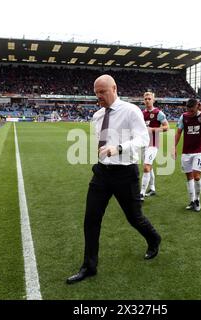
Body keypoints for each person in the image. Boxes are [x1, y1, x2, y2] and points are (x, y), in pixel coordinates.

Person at [66, 75, 162, 285]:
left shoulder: (130, 111)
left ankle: (154, 239)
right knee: (91, 218)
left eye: (102, 91)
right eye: (96, 92)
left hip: (125, 173)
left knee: (134, 218)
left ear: (114, 88)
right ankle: (89, 266)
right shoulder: (97, 115)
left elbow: (144, 138)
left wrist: (118, 148)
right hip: (102, 173)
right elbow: (102, 142)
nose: (98, 96)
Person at [173, 98, 201, 212]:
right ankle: (192, 201)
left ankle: (197, 200)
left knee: (197, 176)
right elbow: (178, 132)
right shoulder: (184, 116)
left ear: (197, 107)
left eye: (192, 111)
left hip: (199, 151)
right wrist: (173, 147)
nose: (190, 113)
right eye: (188, 110)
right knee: (189, 177)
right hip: (186, 151)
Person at [140, 92, 169, 200]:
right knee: (149, 166)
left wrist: (152, 130)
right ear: (143, 100)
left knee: (146, 167)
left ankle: (141, 193)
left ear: (153, 100)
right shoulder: (141, 114)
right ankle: (152, 188)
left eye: (149, 99)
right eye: (146, 99)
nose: (147, 100)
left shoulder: (158, 113)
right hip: (143, 143)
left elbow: (167, 127)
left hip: (153, 144)